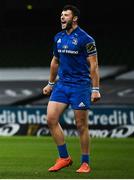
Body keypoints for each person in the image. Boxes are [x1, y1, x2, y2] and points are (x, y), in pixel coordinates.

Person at [43, 4, 101, 173]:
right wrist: (51, 83)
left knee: (81, 125)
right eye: (61, 14)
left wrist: (95, 88)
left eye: (66, 15)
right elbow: (55, 61)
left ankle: (85, 162)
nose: (62, 17)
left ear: (74, 18)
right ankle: (64, 158)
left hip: (80, 86)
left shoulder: (86, 39)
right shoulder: (58, 37)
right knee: (51, 119)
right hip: (62, 85)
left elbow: (94, 65)